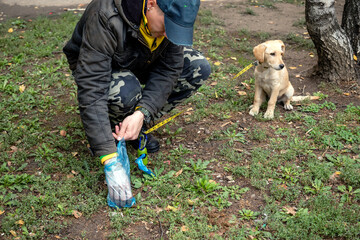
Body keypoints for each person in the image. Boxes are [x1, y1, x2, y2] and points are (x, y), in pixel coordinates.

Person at [63, 0, 211, 207]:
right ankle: (114, 132)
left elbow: (168, 71)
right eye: (168, 26)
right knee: (125, 90)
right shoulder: (105, 16)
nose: (170, 35)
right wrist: (109, 158)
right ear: (151, 4)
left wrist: (142, 113)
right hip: (101, 65)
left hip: (140, 58)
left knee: (198, 67)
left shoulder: (168, 25)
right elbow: (93, 87)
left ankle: (134, 125)